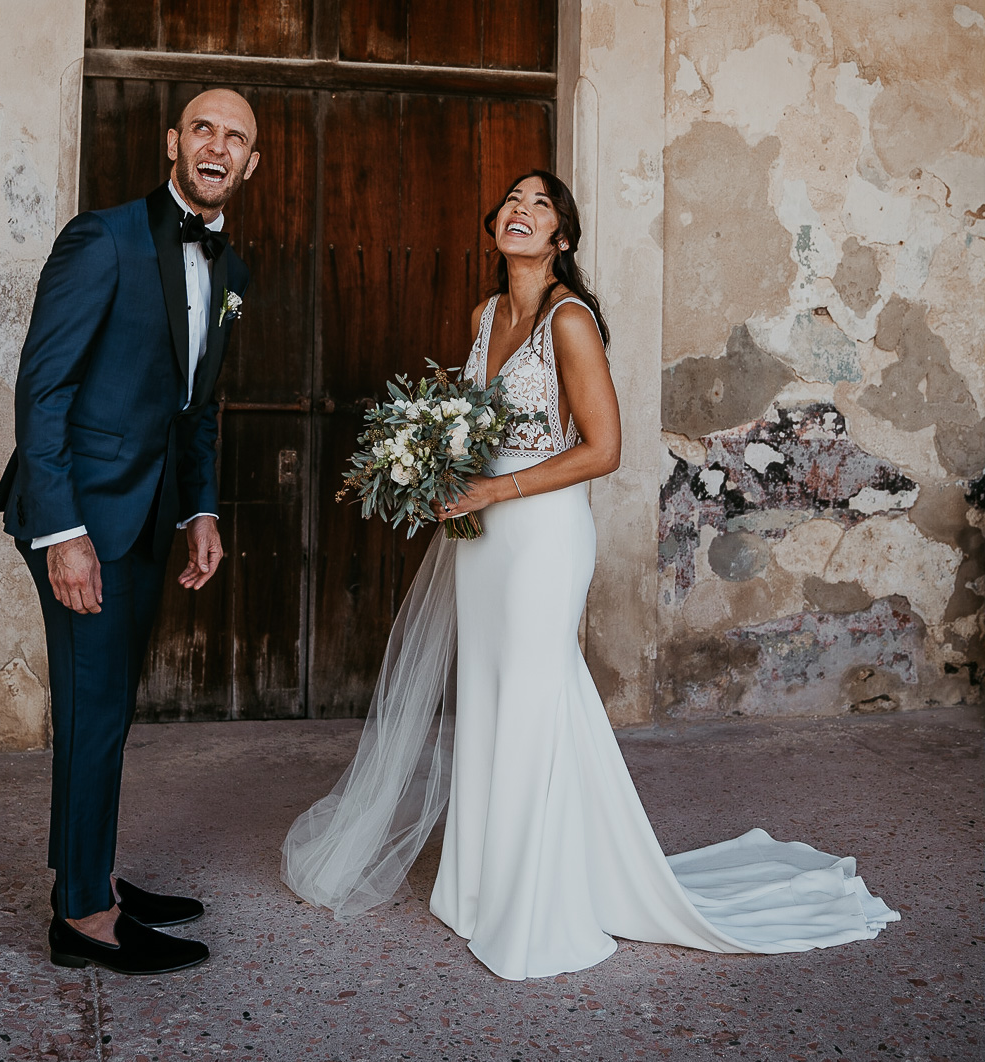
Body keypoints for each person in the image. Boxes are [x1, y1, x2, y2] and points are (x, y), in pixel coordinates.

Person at [282, 170, 898, 980]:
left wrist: (495, 485)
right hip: (482, 535)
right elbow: (473, 430)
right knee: (494, 691)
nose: (521, 211)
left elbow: (602, 450)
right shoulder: (483, 317)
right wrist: (432, 471)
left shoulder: (568, 320)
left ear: (562, 240)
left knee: (534, 690)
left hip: (540, 533)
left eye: (541, 206)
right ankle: (481, 885)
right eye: (512, 201)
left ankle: (536, 901)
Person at [0, 89, 257, 974]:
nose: (218, 145)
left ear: (249, 165)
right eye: (205, 128)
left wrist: (200, 507)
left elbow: (197, 409)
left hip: (147, 515)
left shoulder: (229, 268)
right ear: (174, 141)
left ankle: (87, 875)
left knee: (106, 710)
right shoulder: (100, 239)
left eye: (237, 138)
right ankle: (84, 921)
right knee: (94, 711)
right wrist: (62, 532)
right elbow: (45, 389)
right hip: (80, 516)